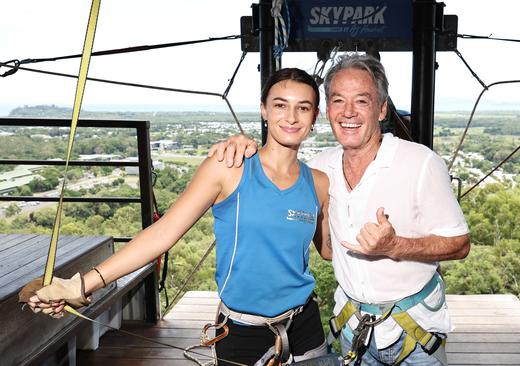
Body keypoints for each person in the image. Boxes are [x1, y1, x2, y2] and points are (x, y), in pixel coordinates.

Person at [20, 68, 332, 365]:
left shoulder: (319, 183)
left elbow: (329, 251)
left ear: (314, 117)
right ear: (264, 110)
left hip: (304, 324)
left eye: (303, 108)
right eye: (280, 105)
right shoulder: (230, 167)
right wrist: (82, 285)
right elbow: (163, 233)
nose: (291, 117)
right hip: (241, 331)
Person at [208, 54, 470, 366]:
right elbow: (329, 249)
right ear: (327, 110)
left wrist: (396, 246)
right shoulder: (320, 170)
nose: (348, 112)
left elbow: (460, 244)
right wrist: (242, 145)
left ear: (382, 108)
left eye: (362, 100)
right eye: (338, 100)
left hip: (414, 334)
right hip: (351, 329)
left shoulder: (420, 162)